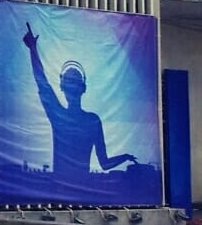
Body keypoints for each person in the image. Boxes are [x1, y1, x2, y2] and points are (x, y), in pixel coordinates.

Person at [22, 21, 136, 184]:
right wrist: (33, 50)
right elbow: (105, 163)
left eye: (73, 82)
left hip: (63, 188)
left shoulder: (65, 116)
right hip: (74, 188)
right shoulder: (87, 120)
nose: (72, 86)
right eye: (70, 82)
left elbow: (42, 82)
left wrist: (33, 50)